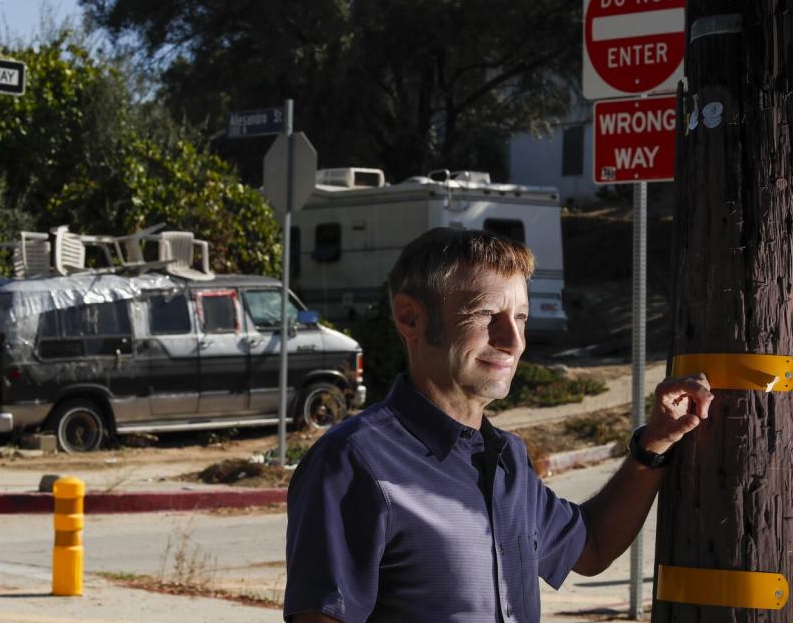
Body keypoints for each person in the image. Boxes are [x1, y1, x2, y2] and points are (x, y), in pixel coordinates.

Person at [283, 228, 713, 623]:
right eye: (487, 313)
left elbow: (592, 547)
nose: (513, 340)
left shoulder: (508, 459)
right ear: (411, 318)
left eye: (521, 317)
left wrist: (653, 444)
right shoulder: (354, 460)